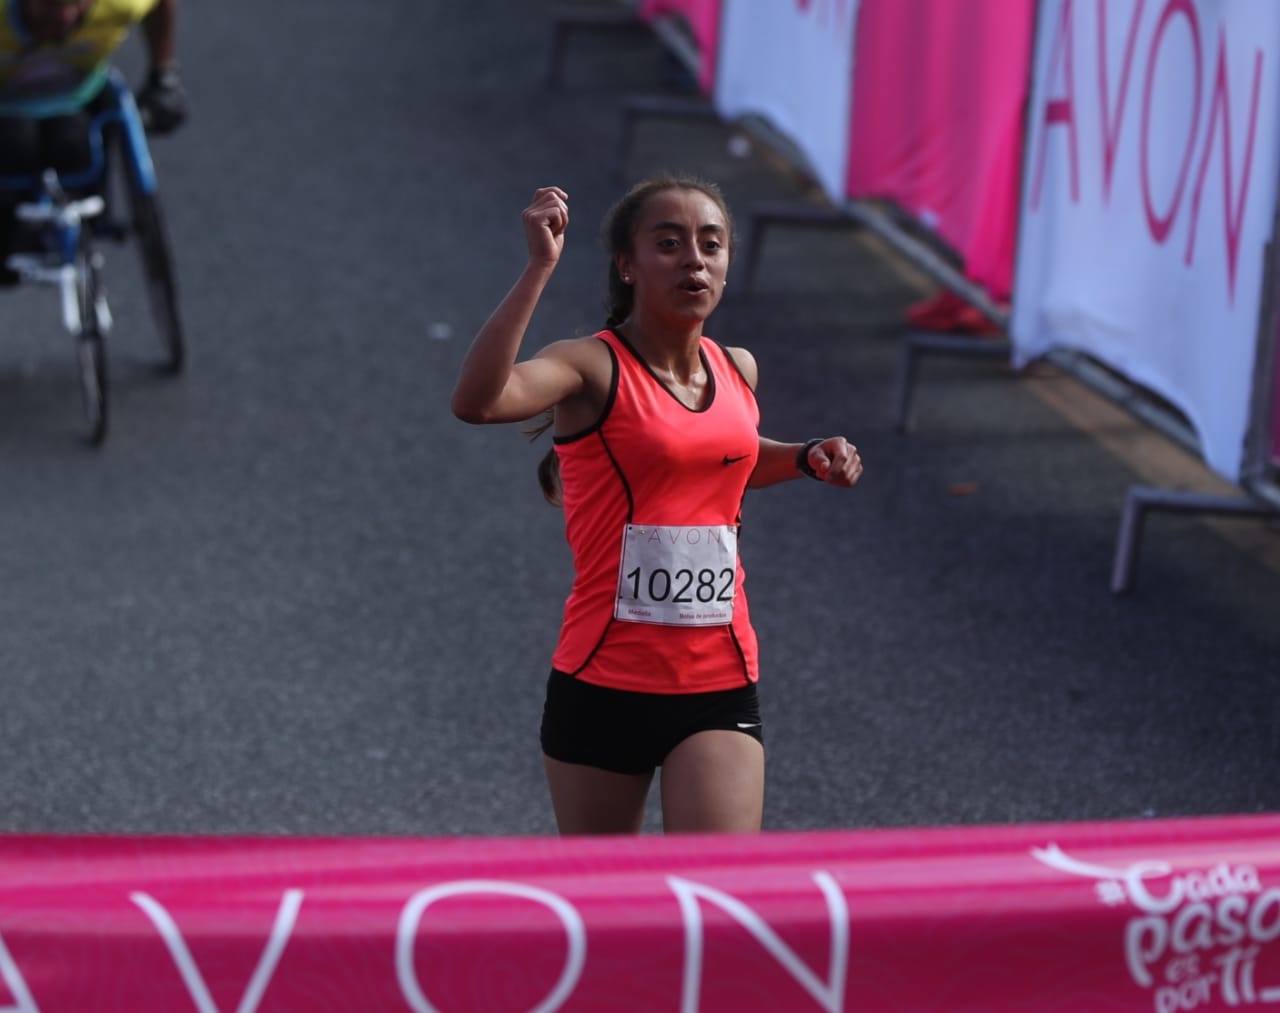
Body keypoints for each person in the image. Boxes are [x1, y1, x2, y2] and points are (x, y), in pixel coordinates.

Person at [451, 177, 863, 835]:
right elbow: (479, 401)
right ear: (627, 265)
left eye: (711, 244)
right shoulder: (590, 368)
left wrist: (807, 455)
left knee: (717, 898)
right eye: (668, 244)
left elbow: (728, 455)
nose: (694, 260)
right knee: (607, 911)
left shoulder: (738, 368)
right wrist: (538, 269)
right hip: (605, 679)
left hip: (719, 675)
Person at [0, 0, 186, 285]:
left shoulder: (118, 5)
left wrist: (164, 76)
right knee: (16, 141)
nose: (62, 16)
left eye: (73, 5)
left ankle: (74, 214)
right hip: (6, 111)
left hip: (74, 101)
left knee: (74, 142)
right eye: (47, 7)